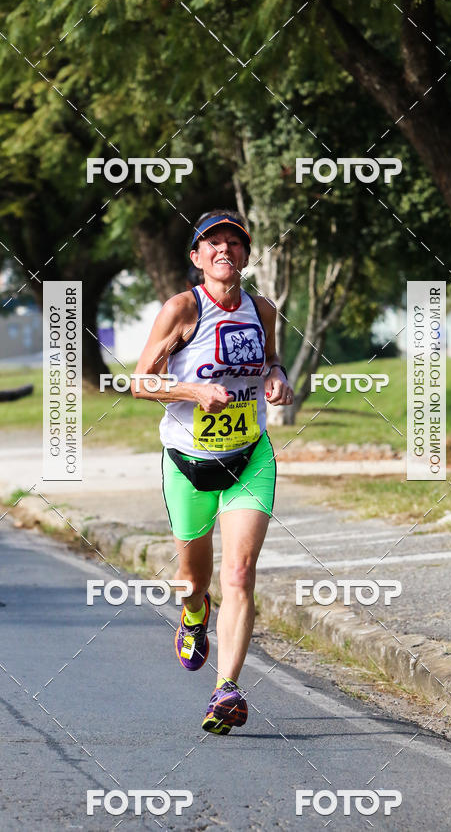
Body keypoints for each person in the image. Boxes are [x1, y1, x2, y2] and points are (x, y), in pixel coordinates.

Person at [132, 209, 293, 734]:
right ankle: (194, 613)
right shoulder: (181, 309)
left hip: (250, 455)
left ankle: (225, 690)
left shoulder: (261, 309)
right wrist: (194, 390)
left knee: (240, 573)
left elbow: (271, 360)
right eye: (213, 244)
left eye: (234, 243)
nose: (225, 250)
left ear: (245, 256)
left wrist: (277, 377)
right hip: (187, 462)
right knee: (193, 580)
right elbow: (139, 383)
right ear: (197, 258)